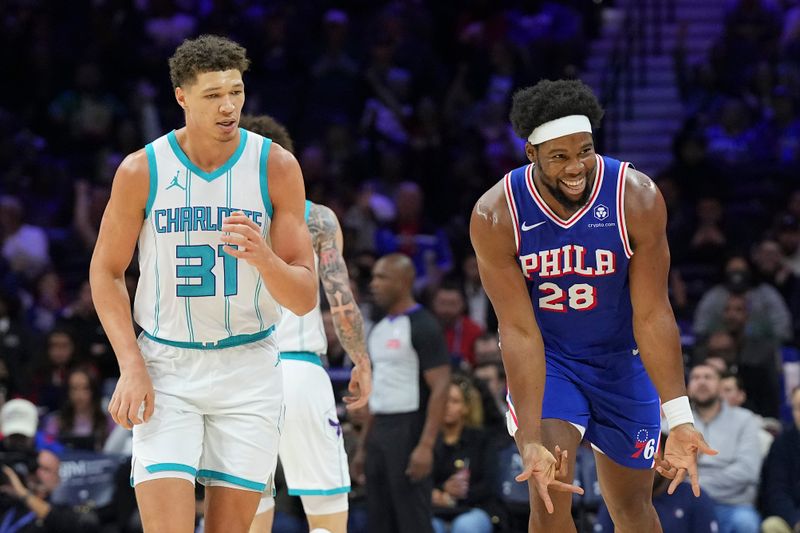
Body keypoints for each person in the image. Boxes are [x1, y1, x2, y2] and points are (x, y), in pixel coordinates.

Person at [89, 35, 317, 533]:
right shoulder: (141, 169)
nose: (229, 106)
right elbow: (105, 271)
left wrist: (264, 258)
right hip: (167, 368)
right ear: (181, 97)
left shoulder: (276, 166)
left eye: (235, 92)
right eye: (213, 95)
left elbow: (303, 297)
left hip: (249, 369)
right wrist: (130, 364)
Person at [469, 79, 716, 532]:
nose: (576, 167)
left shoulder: (635, 197)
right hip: (553, 362)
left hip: (623, 362)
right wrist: (527, 439)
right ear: (531, 154)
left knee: (631, 508)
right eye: (559, 157)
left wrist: (679, 418)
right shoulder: (496, 214)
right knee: (549, 493)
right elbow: (518, 331)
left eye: (584, 151)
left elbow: (653, 313)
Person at [238, 114, 372, 533]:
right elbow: (341, 298)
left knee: (250, 509)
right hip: (300, 371)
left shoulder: (218, 219)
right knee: (327, 513)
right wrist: (361, 361)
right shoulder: (318, 219)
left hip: (240, 374)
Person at [352, 253, 450, 533]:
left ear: (404, 280)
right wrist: (362, 448)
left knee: (412, 520)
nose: (374, 284)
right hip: (379, 429)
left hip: (411, 428)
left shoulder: (424, 325)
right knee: (378, 520)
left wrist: (426, 445)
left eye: (382, 277)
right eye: (373, 277)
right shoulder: (378, 330)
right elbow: (377, 390)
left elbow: (442, 386)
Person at [688, 364, 763, 533]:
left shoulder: (745, 420)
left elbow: (747, 471)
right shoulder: (673, 425)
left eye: (708, 377)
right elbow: (664, 472)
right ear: (688, 388)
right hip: (686, 503)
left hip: (731, 504)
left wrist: (696, 485)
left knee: (745, 523)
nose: (701, 382)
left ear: (721, 386)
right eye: (695, 378)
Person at [760, 386, 800, 533]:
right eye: (798, 408)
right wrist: (796, 520)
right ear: (793, 412)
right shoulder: (782, 444)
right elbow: (776, 492)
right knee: (771, 525)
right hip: (793, 517)